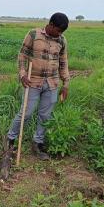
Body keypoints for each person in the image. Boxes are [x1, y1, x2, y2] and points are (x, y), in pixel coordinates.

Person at [7, 13, 70, 160]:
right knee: (26, 113)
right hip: (32, 81)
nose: (59, 34)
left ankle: (38, 143)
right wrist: (22, 74)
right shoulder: (34, 34)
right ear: (51, 25)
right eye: (58, 30)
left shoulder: (62, 40)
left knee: (45, 116)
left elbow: (63, 63)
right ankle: (10, 140)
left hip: (52, 83)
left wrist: (66, 83)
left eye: (62, 32)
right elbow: (22, 55)